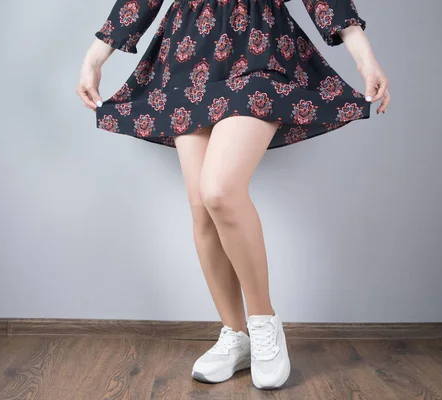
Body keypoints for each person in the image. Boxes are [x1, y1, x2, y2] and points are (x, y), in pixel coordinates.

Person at [77, 0, 389, 390]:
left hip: (260, 44)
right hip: (188, 51)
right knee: (202, 208)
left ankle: (264, 324)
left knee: (220, 191)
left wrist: (365, 58)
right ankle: (236, 335)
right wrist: (95, 58)